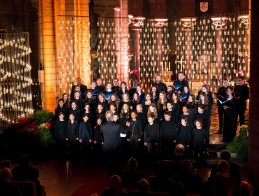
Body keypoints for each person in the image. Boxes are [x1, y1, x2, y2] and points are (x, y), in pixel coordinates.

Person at [100, 111, 122, 176]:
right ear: (112, 117)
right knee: (117, 166)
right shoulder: (118, 126)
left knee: (109, 166)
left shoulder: (102, 126)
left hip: (106, 148)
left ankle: (111, 178)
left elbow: (101, 136)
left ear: (106, 117)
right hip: (116, 148)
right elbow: (124, 134)